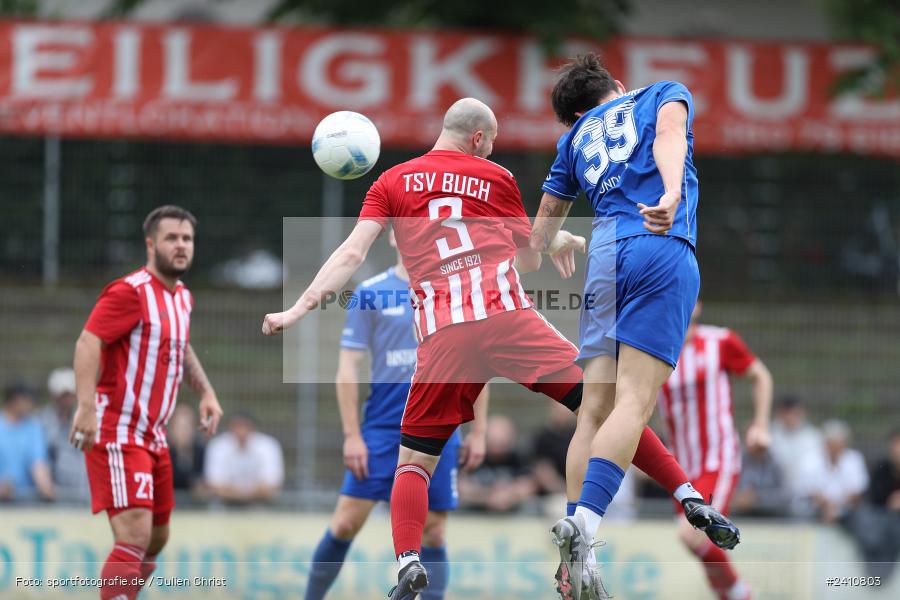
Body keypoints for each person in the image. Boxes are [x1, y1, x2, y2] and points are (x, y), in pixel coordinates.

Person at [263, 97, 736, 600]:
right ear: (478, 139)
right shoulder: (496, 178)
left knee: (413, 463)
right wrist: (558, 244)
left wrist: (298, 309)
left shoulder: (391, 182)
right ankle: (688, 494)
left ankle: (406, 560)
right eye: (490, 144)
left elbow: (351, 253)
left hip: (445, 337)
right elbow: (527, 256)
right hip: (509, 321)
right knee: (601, 409)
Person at [529, 53, 740, 598]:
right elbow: (670, 137)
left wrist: (554, 242)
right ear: (616, 86)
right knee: (635, 402)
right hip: (658, 246)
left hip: (604, 256)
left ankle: (577, 555)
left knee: (591, 410)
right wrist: (670, 193)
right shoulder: (658, 92)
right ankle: (587, 527)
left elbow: (542, 228)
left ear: (572, 115)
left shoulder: (573, 141)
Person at [307, 240, 488, 600]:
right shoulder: (371, 293)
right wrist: (351, 435)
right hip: (381, 431)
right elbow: (347, 369)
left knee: (433, 532)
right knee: (345, 522)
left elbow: (476, 364)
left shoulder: (454, 291)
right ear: (392, 236)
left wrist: (479, 431)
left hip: (439, 430)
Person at [69, 205, 224, 600]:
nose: (181, 245)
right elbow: (88, 342)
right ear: (151, 244)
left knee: (156, 537)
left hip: (153, 436)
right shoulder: (130, 292)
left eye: (187, 238)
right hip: (118, 427)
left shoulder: (182, 297)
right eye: (172, 238)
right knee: (134, 533)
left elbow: (180, 347)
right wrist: (86, 406)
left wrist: (205, 391)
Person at [657, 303, 773, 600]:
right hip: (680, 468)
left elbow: (760, 376)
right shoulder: (655, 350)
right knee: (698, 543)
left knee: (690, 534)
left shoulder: (719, 341)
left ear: (697, 305)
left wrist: (760, 425)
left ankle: (742, 594)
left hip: (716, 460)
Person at [459, 415, 537, 513]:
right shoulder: (472, 456)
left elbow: (530, 486)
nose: (498, 447)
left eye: (502, 441)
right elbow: (461, 486)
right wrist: (488, 496)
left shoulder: (520, 457)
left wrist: (508, 495)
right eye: (494, 440)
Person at [204, 412, 284, 504]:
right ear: (230, 427)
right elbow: (214, 486)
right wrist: (249, 493)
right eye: (237, 426)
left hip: (261, 505)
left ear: (253, 428)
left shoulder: (268, 446)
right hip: (225, 505)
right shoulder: (218, 446)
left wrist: (234, 493)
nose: (241, 431)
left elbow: (272, 486)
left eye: (245, 426)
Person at [802, 419, 869, 523]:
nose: (835, 448)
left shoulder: (854, 459)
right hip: (816, 510)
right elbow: (809, 490)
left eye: (838, 444)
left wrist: (836, 506)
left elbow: (857, 491)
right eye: (831, 443)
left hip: (848, 510)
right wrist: (827, 505)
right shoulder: (811, 459)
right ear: (825, 443)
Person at [39, 367, 90, 503]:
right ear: (55, 395)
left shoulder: (86, 419)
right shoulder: (43, 422)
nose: (67, 399)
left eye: (70, 394)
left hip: (85, 493)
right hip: (56, 497)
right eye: (63, 394)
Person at [769, 395, 825, 516]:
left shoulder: (813, 437)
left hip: (806, 498)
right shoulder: (770, 436)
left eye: (794, 414)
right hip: (776, 497)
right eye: (786, 413)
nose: (790, 418)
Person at [0, 383, 54, 502]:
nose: (31, 404)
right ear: (15, 400)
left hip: (25, 501)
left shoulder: (33, 427)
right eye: (27, 400)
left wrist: (45, 486)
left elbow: (38, 463)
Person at [167, 404, 207, 499]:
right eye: (180, 426)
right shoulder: (164, 453)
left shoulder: (201, 452)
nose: (184, 431)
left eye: (188, 426)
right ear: (172, 429)